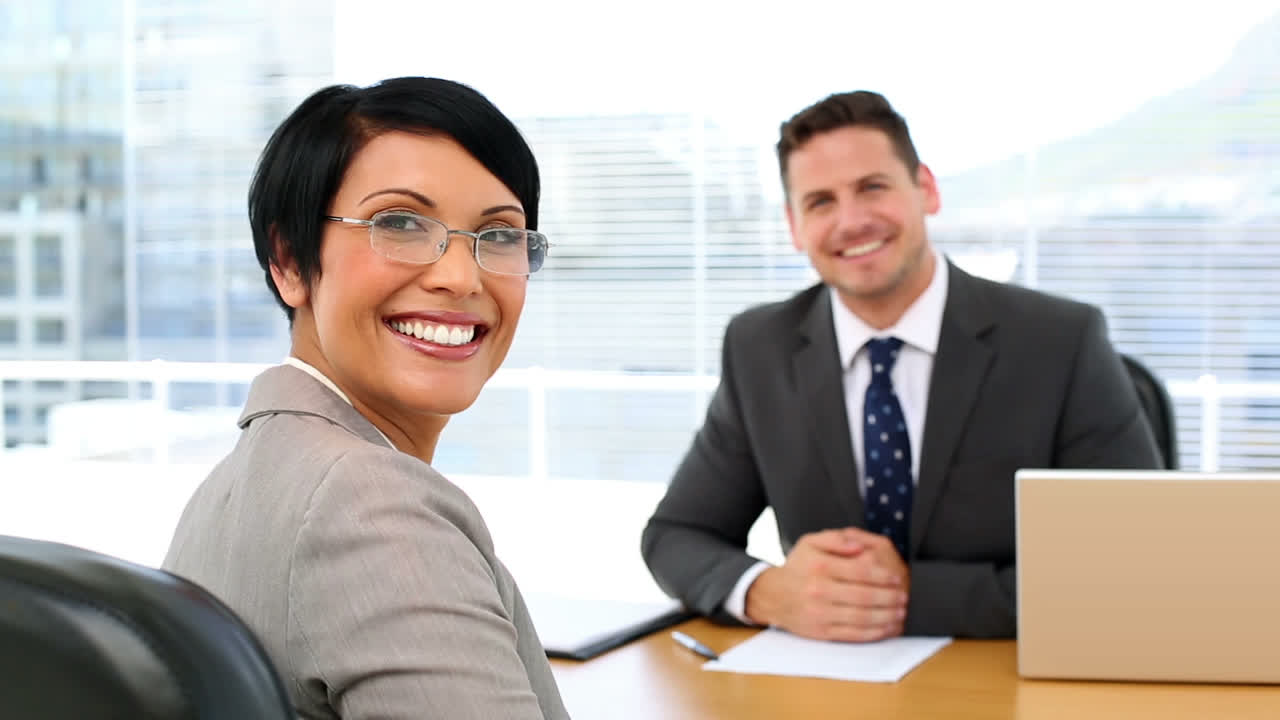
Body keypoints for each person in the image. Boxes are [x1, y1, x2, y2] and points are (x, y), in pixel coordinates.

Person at [641, 90, 1162, 643]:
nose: (852, 221)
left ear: (926, 190)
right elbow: (675, 536)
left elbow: (1135, 564)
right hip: (822, 686)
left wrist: (906, 596)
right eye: (820, 202)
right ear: (795, 228)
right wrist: (769, 591)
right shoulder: (760, 347)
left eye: (873, 187)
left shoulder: (1059, 341)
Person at [163, 77, 569, 720]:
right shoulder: (372, 506)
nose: (461, 277)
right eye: (400, 223)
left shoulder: (254, 474)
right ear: (290, 260)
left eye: (498, 236)